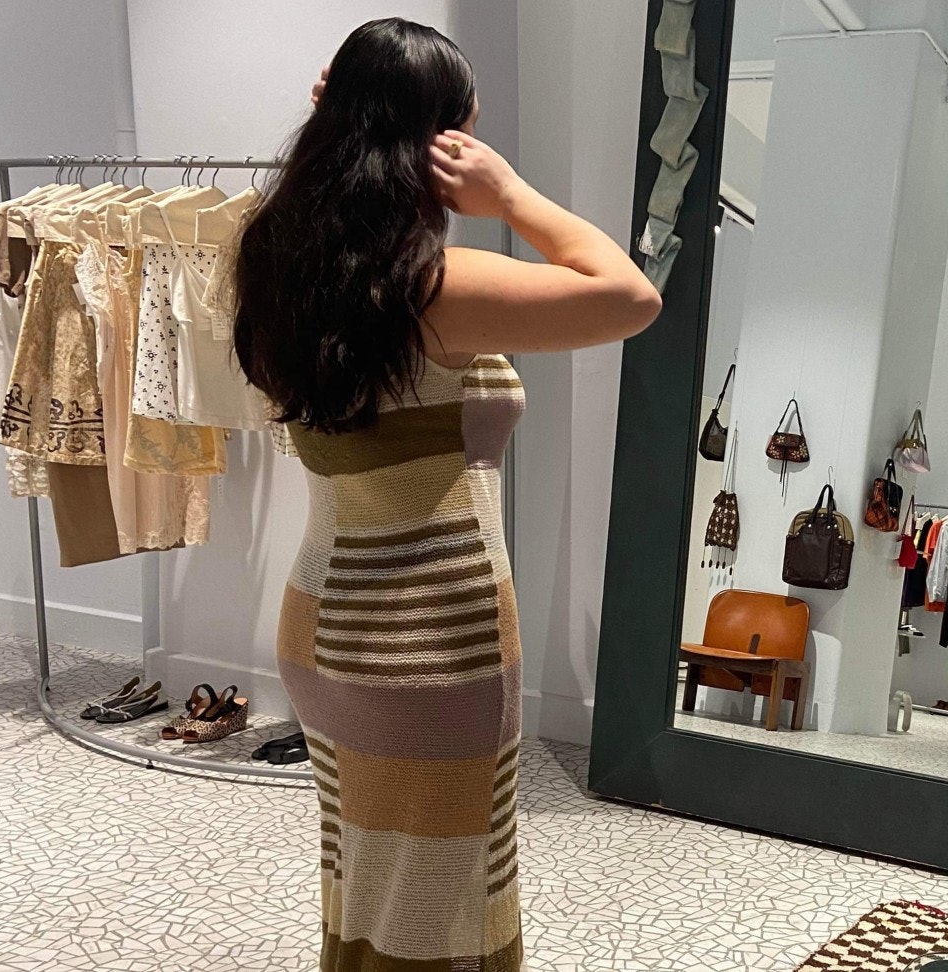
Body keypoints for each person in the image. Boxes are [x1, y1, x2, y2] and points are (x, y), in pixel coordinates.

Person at [232, 18, 661, 971]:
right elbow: (630, 296)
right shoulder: (436, 286)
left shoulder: (275, 259)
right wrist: (514, 195)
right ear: (431, 144)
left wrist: (341, 115)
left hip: (324, 623)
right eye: (461, 130)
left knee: (365, 878)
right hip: (432, 637)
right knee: (442, 899)